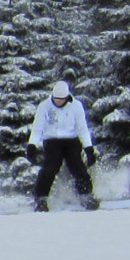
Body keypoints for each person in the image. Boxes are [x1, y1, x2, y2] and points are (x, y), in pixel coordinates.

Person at [27, 79, 98, 212]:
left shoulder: (76, 106)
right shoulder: (44, 106)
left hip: (71, 141)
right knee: (50, 168)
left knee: (78, 167)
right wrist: (32, 145)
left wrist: (88, 148)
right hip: (52, 141)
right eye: (56, 99)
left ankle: (86, 196)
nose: (58, 102)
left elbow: (82, 128)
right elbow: (38, 128)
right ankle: (41, 199)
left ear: (67, 97)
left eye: (61, 99)